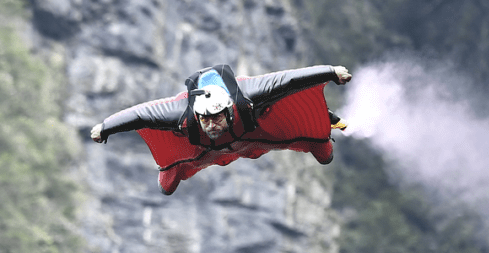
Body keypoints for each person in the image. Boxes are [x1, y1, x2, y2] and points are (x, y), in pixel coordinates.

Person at [86, 64, 352, 194]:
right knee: (167, 187)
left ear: (227, 110)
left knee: (323, 152)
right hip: (203, 151)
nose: (210, 124)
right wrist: (105, 128)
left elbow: (291, 81)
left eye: (215, 118)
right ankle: (171, 169)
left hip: (262, 135)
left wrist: (331, 72)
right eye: (205, 119)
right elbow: (139, 114)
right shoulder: (181, 113)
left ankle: (318, 133)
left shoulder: (250, 94)